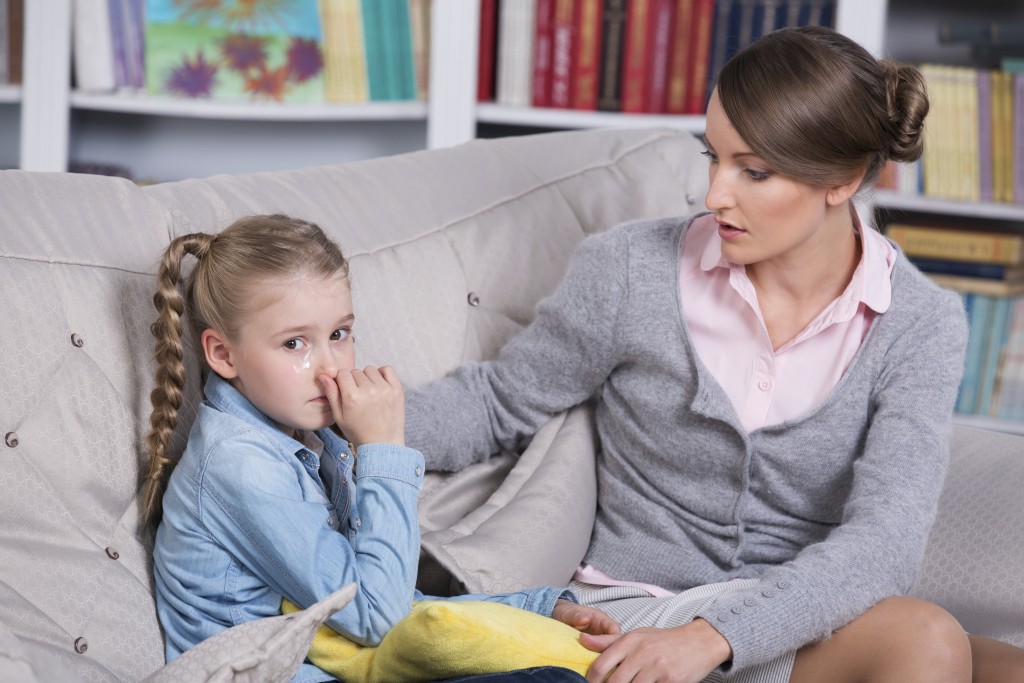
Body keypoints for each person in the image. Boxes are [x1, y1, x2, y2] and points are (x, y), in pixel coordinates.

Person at [405, 26, 1024, 683]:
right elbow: (500, 401)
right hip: (632, 612)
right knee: (924, 637)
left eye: (753, 171)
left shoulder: (918, 323)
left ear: (841, 180)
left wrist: (719, 635)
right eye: (714, 157)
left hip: (784, 617)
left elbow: (887, 541)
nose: (715, 195)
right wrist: (351, 421)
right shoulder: (630, 269)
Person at [139, 214, 616, 683]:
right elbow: (377, 616)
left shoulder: (306, 438)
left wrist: (537, 608)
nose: (328, 366)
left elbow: (385, 599)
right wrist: (384, 449)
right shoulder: (241, 466)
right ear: (223, 354)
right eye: (294, 344)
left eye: (339, 334)